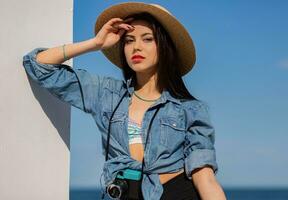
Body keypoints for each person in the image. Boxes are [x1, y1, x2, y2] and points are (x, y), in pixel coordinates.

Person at [22, 2, 226, 200]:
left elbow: (205, 178)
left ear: (163, 47)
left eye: (147, 39)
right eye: (129, 40)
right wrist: (96, 43)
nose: (136, 47)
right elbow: (38, 65)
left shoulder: (190, 108)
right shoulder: (107, 94)